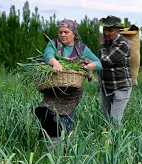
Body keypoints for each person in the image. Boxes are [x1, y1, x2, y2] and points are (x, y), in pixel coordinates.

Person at [34, 19, 102, 148]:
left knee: (65, 118)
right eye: (60, 32)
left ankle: (65, 149)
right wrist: (55, 63)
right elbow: (47, 55)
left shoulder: (81, 48)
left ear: (74, 33)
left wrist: (89, 66)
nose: (63, 35)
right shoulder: (53, 44)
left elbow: (98, 64)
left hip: (72, 91)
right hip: (53, 88)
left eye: (66, 32)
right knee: (45, 112)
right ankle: (49, 146)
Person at [98, 15, 132, 128]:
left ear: (118, 31)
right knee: (106, 119)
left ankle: (115, 143)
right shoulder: (107, 43)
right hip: (106, 87)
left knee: (114, 121)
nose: (106, 33)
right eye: (104, 30)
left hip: (121, 87)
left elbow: (107, 61)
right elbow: (99, 62)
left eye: (110, 30)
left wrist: (102, 45)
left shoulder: (123, 44)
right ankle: (108, 143)